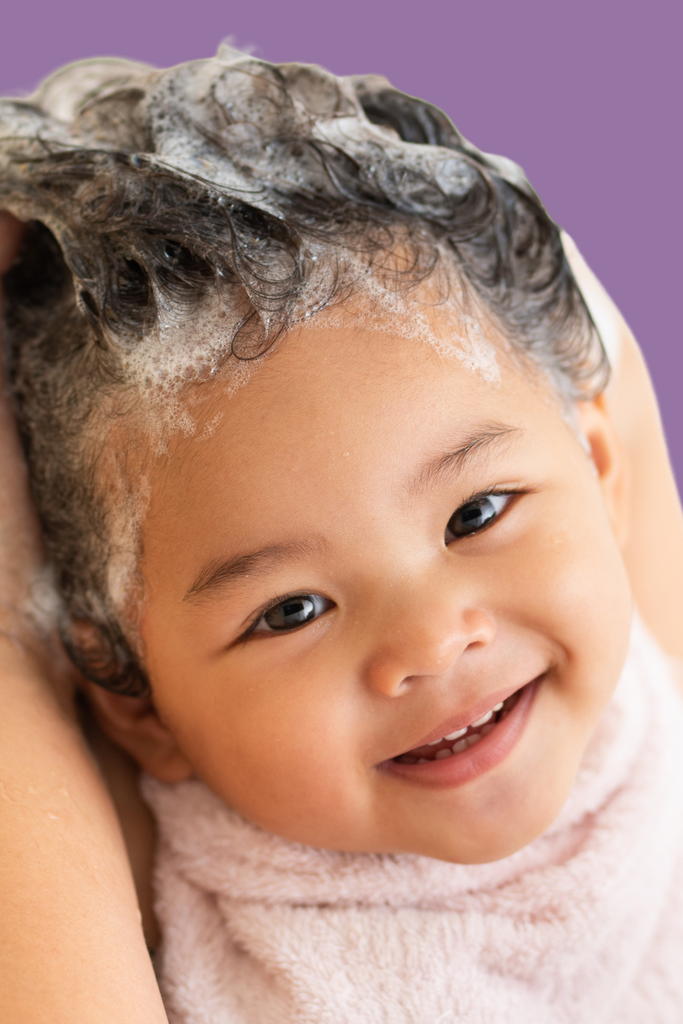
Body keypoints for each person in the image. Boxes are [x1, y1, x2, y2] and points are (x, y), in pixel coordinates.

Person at [1, 47, 682, 1022]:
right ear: (143, 708)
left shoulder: (646, 690)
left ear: (598, 470)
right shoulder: (157, 902)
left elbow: (587, 327)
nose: (430, 641)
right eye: (291, 609)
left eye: (475, 514)